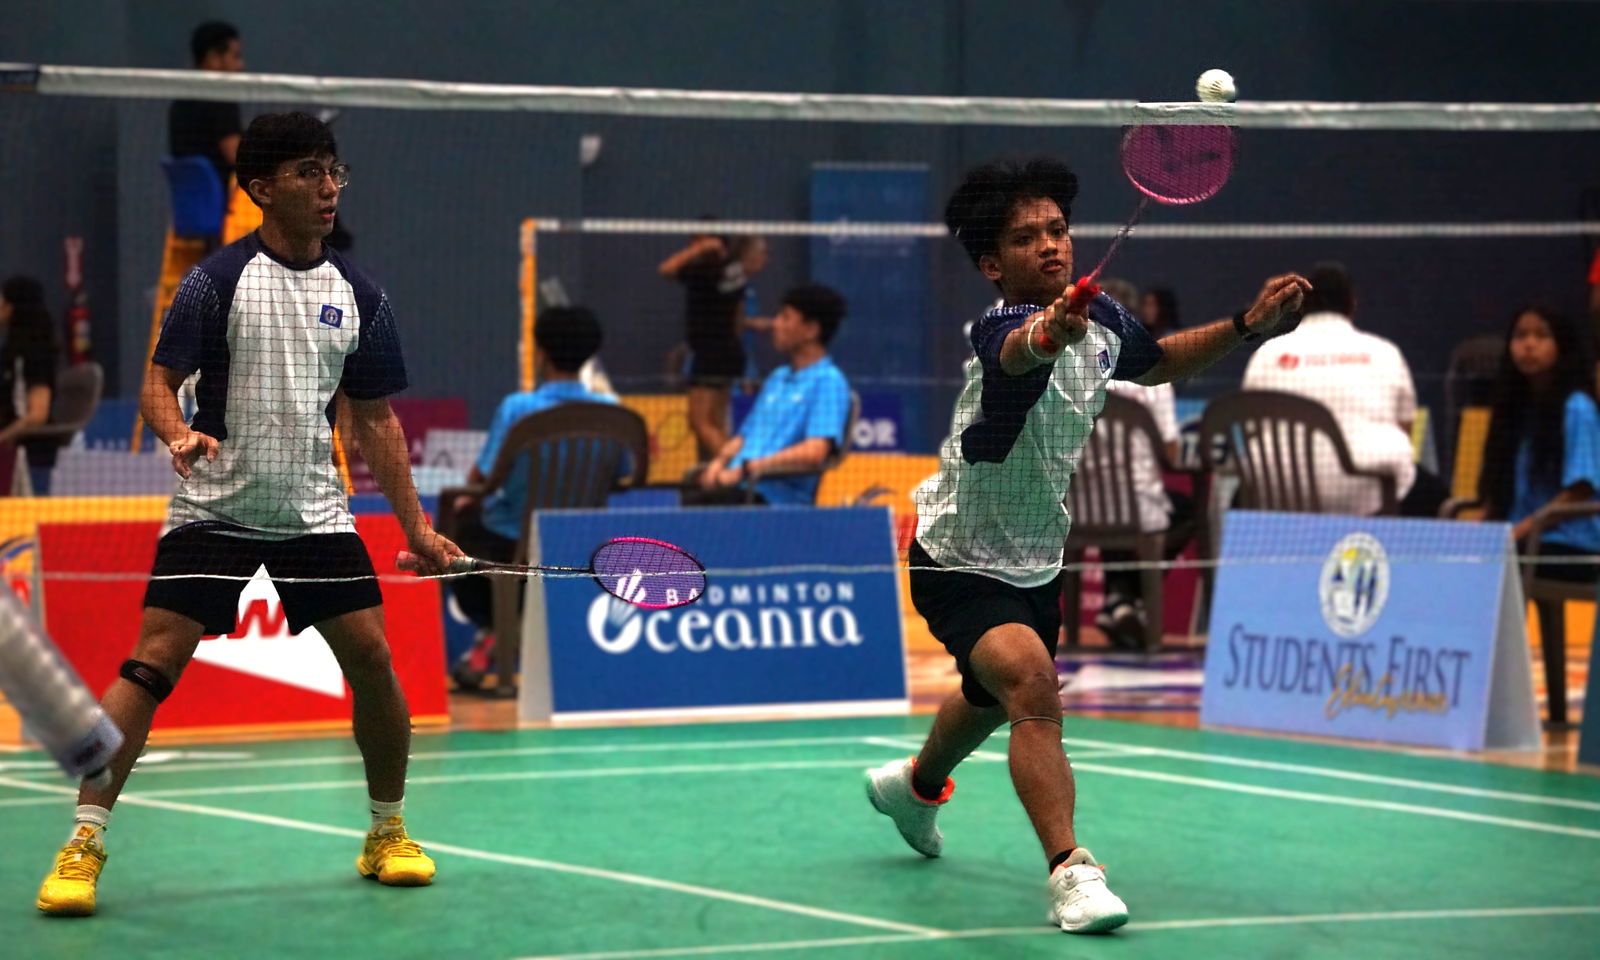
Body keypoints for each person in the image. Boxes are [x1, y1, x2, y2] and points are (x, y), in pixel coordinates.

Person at [35, 112, 464, 917]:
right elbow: (161, 380)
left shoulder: (361, 294)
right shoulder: (216, 281)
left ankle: (388, 830)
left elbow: (374, 420)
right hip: (216, 503)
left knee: (372, 657)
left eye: (334, 170)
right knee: (150, 663)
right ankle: (83, 843)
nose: (329, 186)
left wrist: (415, 529)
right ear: (262, 188)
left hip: (313, 507)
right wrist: (175, 433)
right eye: (309, 172)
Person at [865, 157, 1308, 934]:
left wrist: (1248, 326)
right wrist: (1049, 332)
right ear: (993, 263)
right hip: (958, 555)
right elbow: (1019, 352)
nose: (1051, 246)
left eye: (1059, 230)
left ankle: (915, 787)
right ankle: (1073, 871)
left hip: (1038, 555)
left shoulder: (1105, 326)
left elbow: (1161, 362)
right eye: (1027, 237)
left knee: (992, 695)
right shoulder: (1001, 325)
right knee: (1032, 684)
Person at [447, 305, 618, 684]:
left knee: (460, 532)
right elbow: (624, 478)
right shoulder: (612, 412)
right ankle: (505, 635)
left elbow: (481, 480)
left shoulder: (518, 408)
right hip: (581, 548)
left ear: (540, 353)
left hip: (513, 549)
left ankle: (500, 629)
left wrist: (463, 504)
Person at [1241, 262, 1447, 517]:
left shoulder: (1267, 354)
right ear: (1352, 304)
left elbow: (1251, 428)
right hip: (1371, 494)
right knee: (1437, 494)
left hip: (1280, 494)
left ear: (1303, 304)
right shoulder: (1385, 353)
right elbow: (1405, 431)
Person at [688, 284, 850, 506]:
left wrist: (750, 468)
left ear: (811, 330)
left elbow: (815, 450)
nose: (775, 324)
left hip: (774, 497)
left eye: (785, 318)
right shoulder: (777, 378)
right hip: (740, 485)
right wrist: (719, 462)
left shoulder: (828, 381)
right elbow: (743, 437)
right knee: (689, 491)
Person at [1478, 304, 1600, 581]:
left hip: (1573, 545)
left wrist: (1519, 531)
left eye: (1541, 336)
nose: (1529, 345)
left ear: (1562, 346)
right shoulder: (1516, 409)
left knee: (1490, 570)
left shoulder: (1577, 407)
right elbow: (1502, 486)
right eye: (1520, 336)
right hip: (1524, 538)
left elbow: (1580, 490)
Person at [657, 230, 769, 459]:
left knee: (699, 421)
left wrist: (698, 250)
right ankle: (720, 480)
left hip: (709, 354)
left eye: (695, 241)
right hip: (730, 353)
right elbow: (737, 314)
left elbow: (665, 269)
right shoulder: (735, 271)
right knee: (717, 424)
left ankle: (737, 470)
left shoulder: (704, 270)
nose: (691, 246)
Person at [168, 21, 246, 222]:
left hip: (190, 207)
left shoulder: (180, 102)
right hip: (228, 205)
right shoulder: (220, 100)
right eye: (235, 57)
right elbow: (238, 158)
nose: (241, 65)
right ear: (213, 58)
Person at [0, 276, 59, 494]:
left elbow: (37, 415)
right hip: (12, 452)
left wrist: (2, 438)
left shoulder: (34, 353)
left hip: (29, 454)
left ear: (13, 307)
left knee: (28, 524)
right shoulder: (11, 351)